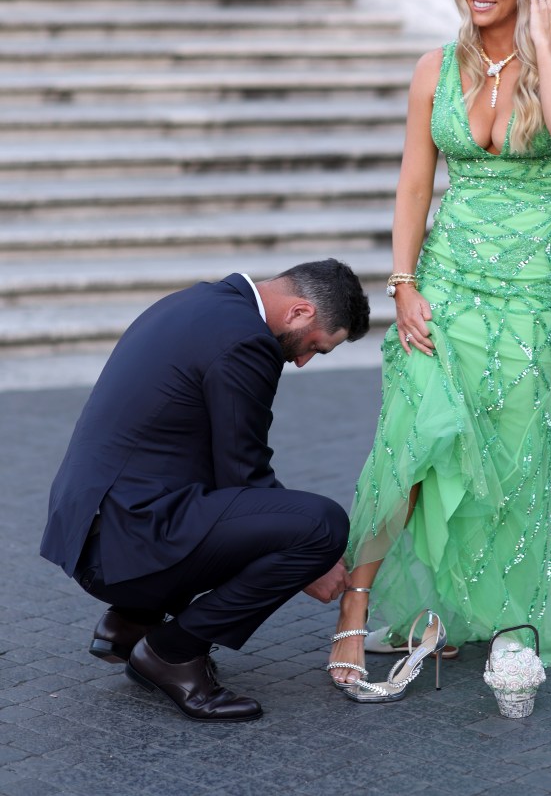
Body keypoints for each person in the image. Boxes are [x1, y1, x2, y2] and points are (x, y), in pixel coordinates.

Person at [328, 0, 551, 701]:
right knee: (410, 437)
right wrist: (403, 283)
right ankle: (354, 606)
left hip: (528, 289)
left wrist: (544, 40)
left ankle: (513, 623)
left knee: (513, 451)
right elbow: (415, 183)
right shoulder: (435, 68)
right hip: (444, 282)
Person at [41, 260, 370, 721]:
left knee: (249, 514)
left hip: (94, 529)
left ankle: (131, 623)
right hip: (123, 542)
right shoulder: (246, 340)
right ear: (299, 312)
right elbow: (245, 474)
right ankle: (172, 653)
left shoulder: (195, 302)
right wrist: (314, 560)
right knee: (321, 525)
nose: (301, 361)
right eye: (316, 346)